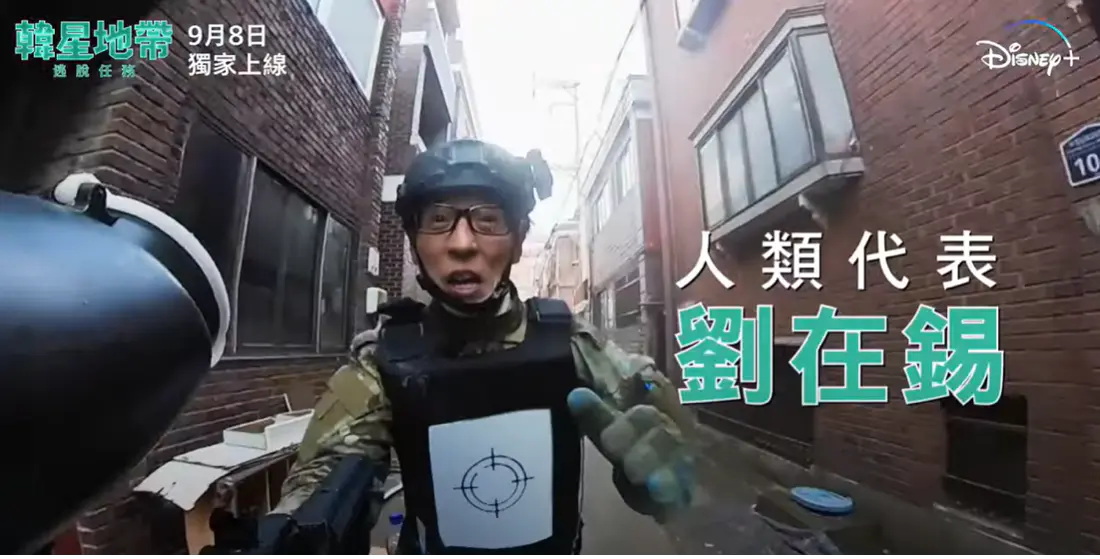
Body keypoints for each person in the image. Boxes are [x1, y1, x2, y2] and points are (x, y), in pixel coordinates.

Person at [272, 139, 698, 557]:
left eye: (489, 219)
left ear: (518, 239)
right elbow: (326, 471)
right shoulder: (382, 362)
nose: (462, 243)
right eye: (439, 219)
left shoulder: (567, 340)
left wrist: (663, 455)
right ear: (414, 242)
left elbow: (645, 400)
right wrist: (300, 531)